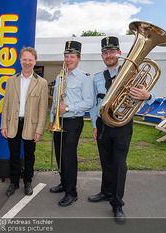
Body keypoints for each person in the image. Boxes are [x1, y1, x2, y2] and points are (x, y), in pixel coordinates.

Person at [88, 36, 155, 224]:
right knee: (105, 162)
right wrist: (94, 125)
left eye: (112, 51)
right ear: (102, 55)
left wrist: (147, 95)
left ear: (119, 52)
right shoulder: (97, 77)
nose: (108, 55)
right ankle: (106, 191)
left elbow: (149, 93)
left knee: (119, 165)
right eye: (105, 52)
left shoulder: (131, 73)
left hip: (122, 124)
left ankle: (117, 204)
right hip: (102, 125)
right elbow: (94, 103)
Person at [49, 41, 94, 207]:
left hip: (73, 122)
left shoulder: (85, 78)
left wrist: (68, 108)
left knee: (68, 157)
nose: (68, 59)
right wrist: (51, 119)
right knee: (60, 155)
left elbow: (88, 102)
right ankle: (63, 183)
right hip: (58, 121)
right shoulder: (60, 76)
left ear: (79, 58)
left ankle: (71, 192)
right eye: (66, 56)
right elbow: (55, 100)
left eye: (72, 56)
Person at [0, 47, 48, 197]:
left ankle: (28, 181)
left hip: (31, 125)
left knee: (29, 155)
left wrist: (39, 130)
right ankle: (14, 182)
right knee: (13, 155)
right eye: (24, 59)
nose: (27, 62)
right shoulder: (11, 80)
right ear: (20, 60)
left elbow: (42, 109)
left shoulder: (42, 83)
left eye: (30, 60)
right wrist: (4, 125)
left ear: (35, 61)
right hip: (13, 124)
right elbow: (6, 104)